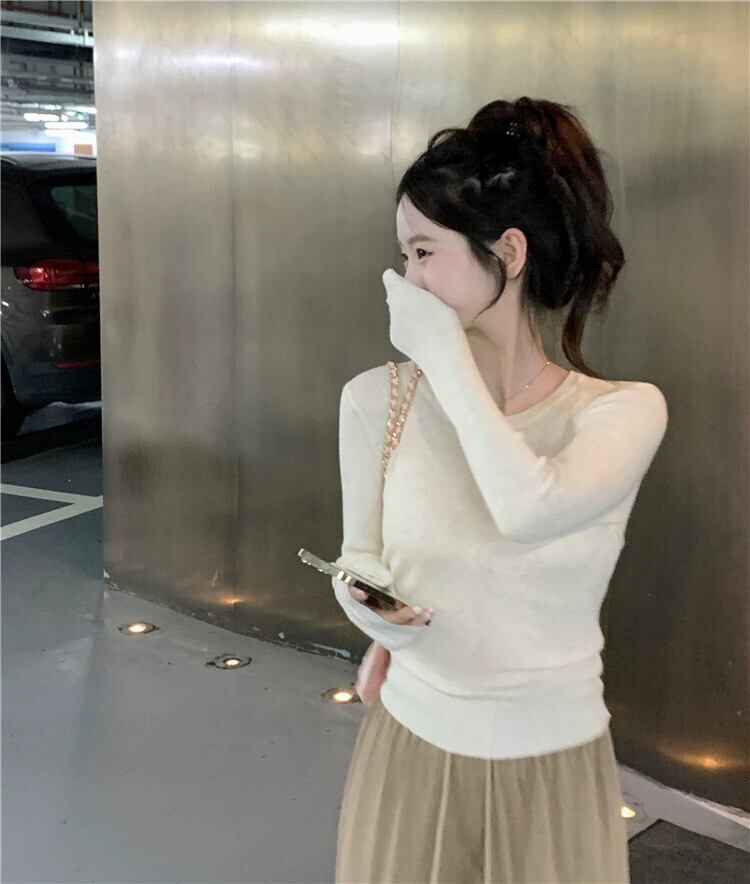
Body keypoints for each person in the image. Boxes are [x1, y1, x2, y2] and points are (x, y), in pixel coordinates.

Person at [331, 96, 668, 884]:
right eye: (404, 254)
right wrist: (370, 606)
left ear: (508, 252)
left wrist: (444, 357)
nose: (405, 279)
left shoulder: (622, 412)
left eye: (423, 252)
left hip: (549, 769)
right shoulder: (375, 400)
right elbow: (358, 558)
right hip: (411, 747)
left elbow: (527, 509)